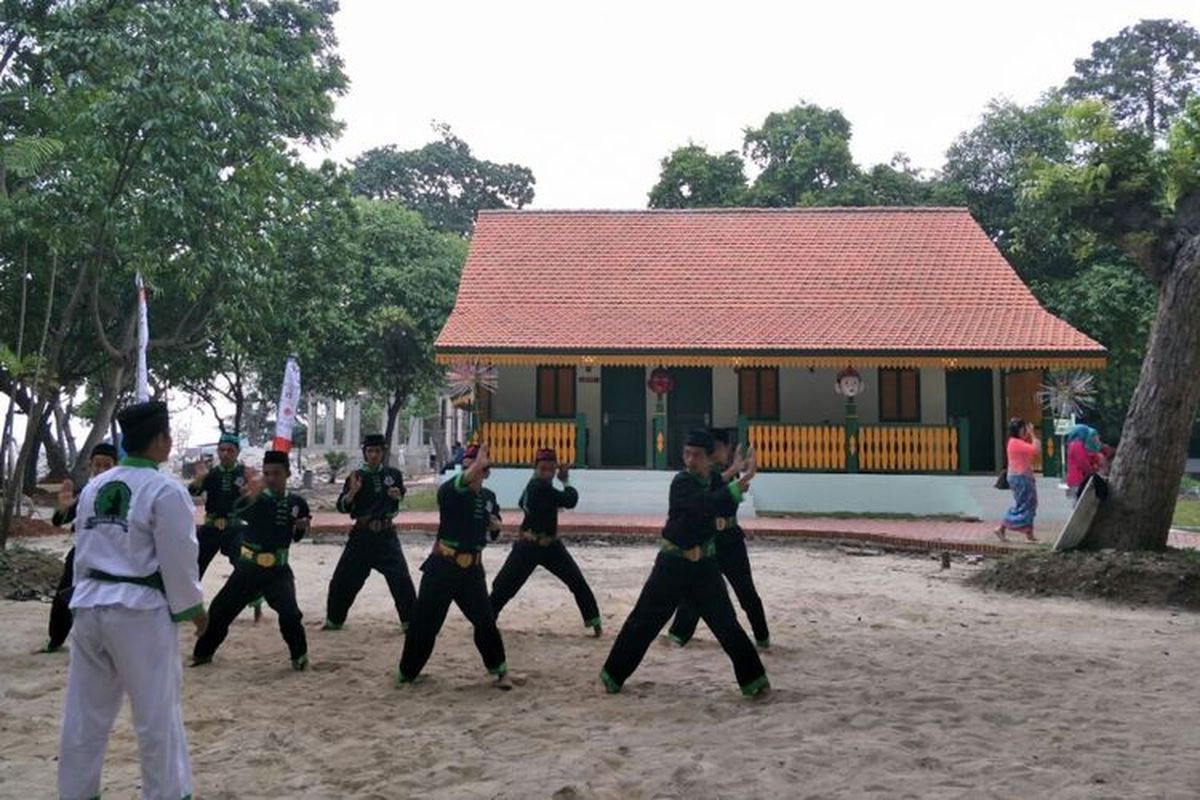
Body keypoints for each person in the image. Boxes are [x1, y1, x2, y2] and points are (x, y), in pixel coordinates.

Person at [58, 400, 207, 800]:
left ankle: (76, 792)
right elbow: (179, 558)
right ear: (161, 440)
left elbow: (82, 549)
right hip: (138, 611)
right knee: (157, 716)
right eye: (168, 435)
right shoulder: (165, 490)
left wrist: (80, 600)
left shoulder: (95, 487)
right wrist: (193, 609)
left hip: (88, 606)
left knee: (84, 716)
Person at [599, 429, 769, 698]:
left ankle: (755, 680)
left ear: (709, 458)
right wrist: (739, 483)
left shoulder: (710, 478)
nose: (690, 460)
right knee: (643, 622)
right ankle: (613, 675)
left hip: (704, 566)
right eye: (687, 454)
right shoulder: (681, 483)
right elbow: (705, 503)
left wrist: (740, 473)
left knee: (727, 624)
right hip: (672, 565)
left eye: (697, 456)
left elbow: (718, 487)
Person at [397, 444, 512, 689]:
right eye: (468, 466)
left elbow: (495, 526)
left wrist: (495, 526)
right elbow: (461, 483)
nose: (472, 471)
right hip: (443, 567)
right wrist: (476, 465)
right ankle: (407, 673)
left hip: (472, 572)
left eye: (479, 468)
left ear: (486, 473)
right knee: (425, 625)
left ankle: (499, 670)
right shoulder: (450, 491)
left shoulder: (488, 498)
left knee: (485, 622)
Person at [193, 451, 311, 670]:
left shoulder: (297, 503)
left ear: (288, 474)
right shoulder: (257, 500)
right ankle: (202, 655)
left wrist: (301, 528)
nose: (271, 478)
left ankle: (300, 656)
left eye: (277, 473)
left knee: (290, 614)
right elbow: (240, 510)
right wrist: (250, 496)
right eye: (267, 473)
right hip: (248, 568)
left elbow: (297, 534)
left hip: (278, 570)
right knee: (219, 612)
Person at [667, 429, 770, 649]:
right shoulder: (699, 476)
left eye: (719, 448)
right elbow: (711, 493)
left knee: (746, 592)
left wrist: (740, 475)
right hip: (710, 540)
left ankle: (762, 637)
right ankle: (678, 635)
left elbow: (721, 493)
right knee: (695, 592)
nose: (715, 453)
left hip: (731, 541)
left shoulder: (720, 474)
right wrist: (737, 473)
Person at [489, 447, 601, 635]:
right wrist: (565, 481)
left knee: (577, 582)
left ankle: (595, 622)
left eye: (551, 469)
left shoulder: (533, 486)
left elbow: (520, 503)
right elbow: (571, 500)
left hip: (550, 545)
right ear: (536, 468)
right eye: (543, 469)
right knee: (504, 586)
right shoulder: (538, 487)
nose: (547, 473)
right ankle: (486, 620)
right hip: (529, 546)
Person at [322, 433, 415, 631]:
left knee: (401, 578)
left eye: (378, 451)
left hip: (386, 535)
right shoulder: (356, 476)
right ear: (365, 453)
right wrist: (352, 492)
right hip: (362, 535)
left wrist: (397, 497)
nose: (373, 455)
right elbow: (342, 507)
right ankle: (334, 620)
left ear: (383, 453)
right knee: (343, 579)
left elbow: (396, 505)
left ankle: (410, 622)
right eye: (370, 451)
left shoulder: (393, 475)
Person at [37, 443, 118, 654]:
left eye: (107, 465)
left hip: (115, 555)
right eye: (97, 465)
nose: (101, 470)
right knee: (65, 594)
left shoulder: (123, 492)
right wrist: (63, 508)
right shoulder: (85, 493)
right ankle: (56, 640)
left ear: (116, 466)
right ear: (90, 465)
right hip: (82, 552)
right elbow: (58, 520)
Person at [187, 431, 249, 578]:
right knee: (193, 566)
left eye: (230, 450)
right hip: (211, 525)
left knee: (245, 563)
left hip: (235, 527)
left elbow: (252, 503)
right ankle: (189, 599)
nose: (225, 454)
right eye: (222, 450)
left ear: (237, 452)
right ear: (218, 451)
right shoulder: (211, 474)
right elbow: (193, 492)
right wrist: (198, 480)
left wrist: (249, 494)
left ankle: (255, 594)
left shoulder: (244, 474)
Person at [995, 418, 1041, 542]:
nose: (1025, 431)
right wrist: (1032, 434)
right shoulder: (1015, 443)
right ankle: (1002, 526)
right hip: (1020, 477)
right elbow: (1036, 449)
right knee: (1025, 505)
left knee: (1029, 504)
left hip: (1021, 476)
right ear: (1018, 430)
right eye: (1023, 428)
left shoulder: (1015, 442)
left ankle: (1029, 534)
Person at [1065, 424, 1103, 503]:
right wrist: (1092, 471)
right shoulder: (1077, 445)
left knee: (1077, 501)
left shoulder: (1073, 444)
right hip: (1078, 478)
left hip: (1074, 479)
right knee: (1080, 503)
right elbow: (1082, 462)